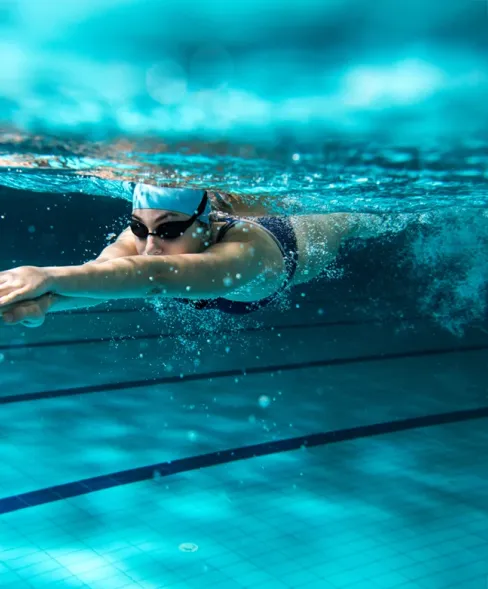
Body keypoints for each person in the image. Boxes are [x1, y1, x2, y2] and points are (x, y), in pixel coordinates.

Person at [0, 183, 382, 328]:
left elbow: (158, 277)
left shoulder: (245, 252)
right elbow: (102, 276)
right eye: (138, 227)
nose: (149, 246)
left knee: (353, 220)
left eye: (168, 230)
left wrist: (46, 276)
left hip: (304, 236)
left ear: (206, 224)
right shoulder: (149, 237)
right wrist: (45, 303)